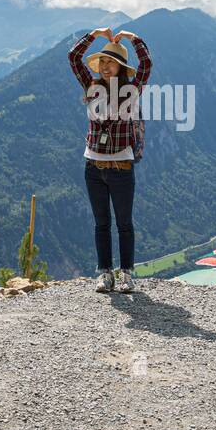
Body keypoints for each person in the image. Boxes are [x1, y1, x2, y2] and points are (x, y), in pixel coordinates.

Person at [68, 27, 151, 293]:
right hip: (93, 166)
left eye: (111, 62)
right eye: (102, 61)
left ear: (121, 66)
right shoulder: (90, 86)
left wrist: (133, 39)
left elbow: (147, 63)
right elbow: (73, 57)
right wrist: (94, 35)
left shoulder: (132, 88)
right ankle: (105, 273)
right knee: (101, 223)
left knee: (124, 224)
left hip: (122, 167)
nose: (105, 66)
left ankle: (126, 273)